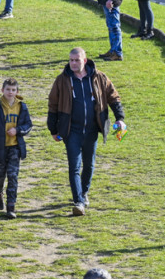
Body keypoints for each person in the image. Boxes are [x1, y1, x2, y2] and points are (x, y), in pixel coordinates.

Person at [47, 47, 125, 216]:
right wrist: (53, 128)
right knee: (74, 166)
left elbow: (113, 96)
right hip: (71, 131)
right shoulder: (62, 80)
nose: (73, 63)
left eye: (76, 60)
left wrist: (120, 117)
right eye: (71, 60)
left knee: (89, 165)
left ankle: (84, 192)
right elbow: (53, 104)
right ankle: (78, 202)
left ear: (84, 60)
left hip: (91, 130)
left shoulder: (99, 77)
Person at [0, 78, 33, 220]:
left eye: (13, 90)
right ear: (2, 90)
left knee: (13, 177)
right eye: (8, 90)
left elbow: (28, 125)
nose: (10, 92)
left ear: (17, 92)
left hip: (15, 148)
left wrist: (17, 130)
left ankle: (11, 207)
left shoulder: (22, 107)